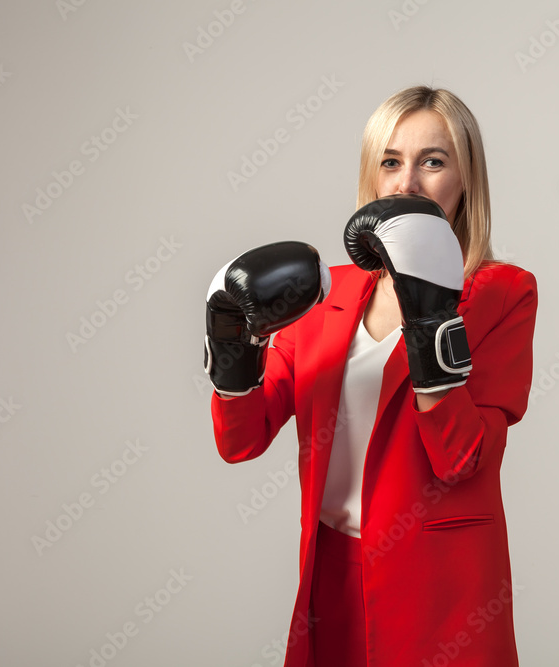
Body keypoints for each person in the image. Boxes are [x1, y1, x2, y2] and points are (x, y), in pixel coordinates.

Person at [205, 86, 538, 666]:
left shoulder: (502, 293)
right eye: (391, 161)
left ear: (466, 179)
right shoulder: (319, 293)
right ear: (372, 176)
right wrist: (232, 344)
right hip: (331, 570)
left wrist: (432, 316)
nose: (408, 182)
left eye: (433, 161)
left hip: (439, 584)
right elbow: (242, 440)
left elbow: (463, 461)